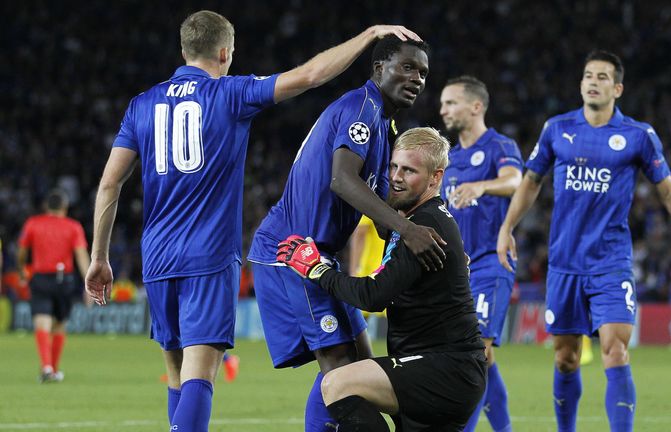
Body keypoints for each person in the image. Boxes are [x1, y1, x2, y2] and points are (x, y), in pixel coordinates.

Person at [84, 9, 423, 431]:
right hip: (207, 252)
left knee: (176, 373)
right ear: (226, 52)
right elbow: (311, 75)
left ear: (184, 49)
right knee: (201, 373)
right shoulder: (230, 92)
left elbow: (109, 185)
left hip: (156, 254)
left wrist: (98, 256)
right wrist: (370, 32)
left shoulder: (141, 105)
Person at [496, 50, 671, 432]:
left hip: (610, 263)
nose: (593, 82)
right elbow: (531, 182)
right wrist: (507, 228)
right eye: (588, 75)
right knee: (565, 358)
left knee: (615, 351)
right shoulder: (557, 129)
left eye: (602, 77)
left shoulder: (638, 135)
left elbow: (669, 192)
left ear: (617, 88)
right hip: (565, 262)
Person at [247, 35, 444, 431]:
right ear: (378, 70)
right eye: (406, 67)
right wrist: (406, 230)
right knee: (340, 373)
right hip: (294, 250)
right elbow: (342, 180)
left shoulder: (383, 125)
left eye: (422, 72)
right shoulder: (362, 107)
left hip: (322, 255)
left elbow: (385, 201)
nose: (416, 78)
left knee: (363, 367)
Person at [277, 127, 486, 431]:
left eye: (409, 170)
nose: (397, 177)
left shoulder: (425, 226)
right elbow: (382, 219)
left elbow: (374, 296)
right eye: (394, 167)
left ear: (435, 177)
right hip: (442, 369)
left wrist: (317, 270)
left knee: (338, 384)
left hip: (445, 369)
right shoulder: (414, 221)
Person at [439, 75, 522, 432]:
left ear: (476, 106)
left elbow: (515, 181)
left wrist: (482, 186)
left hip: (491, 262)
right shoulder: (449, 158)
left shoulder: (498, 146)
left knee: (472, 354)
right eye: (442, 104)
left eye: (451, 102)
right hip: (456, 270)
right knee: (481, 358)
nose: (443, 110)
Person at [17, 189, 90, 383]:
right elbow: (81, 255)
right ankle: (53, 368)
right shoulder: (73, 227)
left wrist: (22, 269)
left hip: (40, 277)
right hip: (64, 279)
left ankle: (48, 367)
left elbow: (22, 251)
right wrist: (88, 282)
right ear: (65, 207)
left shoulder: (33, 223)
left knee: (42, 322)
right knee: (59, 325)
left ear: (46, 207)